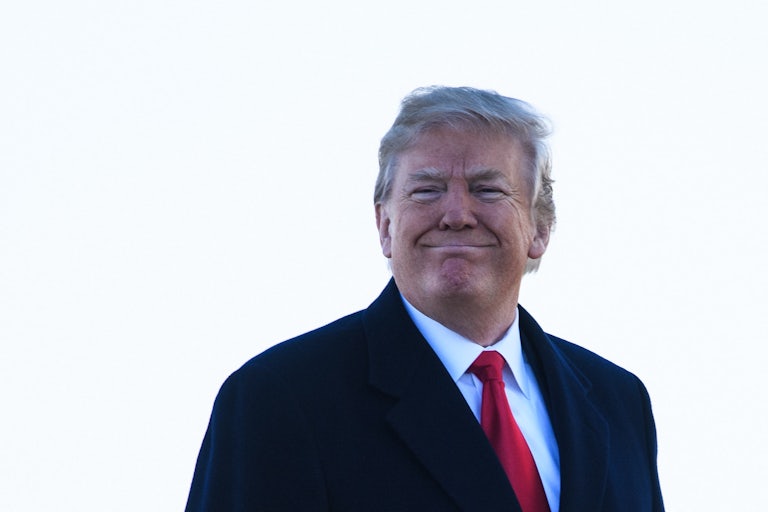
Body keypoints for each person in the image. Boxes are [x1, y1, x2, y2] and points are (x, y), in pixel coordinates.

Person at [185, 86, 664, 512]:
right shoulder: (278, 399)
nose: (456, 214)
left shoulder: (618, 402)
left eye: (487, 189)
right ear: (385, 226)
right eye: (427, 190)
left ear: (540, 229)